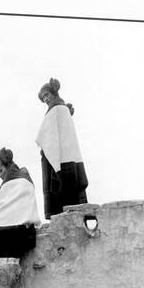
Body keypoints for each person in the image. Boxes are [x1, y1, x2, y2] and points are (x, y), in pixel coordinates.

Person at [36, 78, 88, 218]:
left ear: (53, 93)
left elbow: (46, 138)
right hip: (71, 159)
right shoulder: (63, 109)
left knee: (62, 204)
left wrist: (44, 147)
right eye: (43, 97)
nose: (46, 99)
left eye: (47, 95)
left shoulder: (55, 110)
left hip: (60, 161)